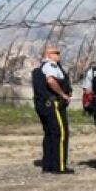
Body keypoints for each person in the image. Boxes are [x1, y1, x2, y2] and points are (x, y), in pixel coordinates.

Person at [32, 45, 74, 174]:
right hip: (53, 104)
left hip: (44, 104)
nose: (59, 55)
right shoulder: (51, 66)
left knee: (50, 134)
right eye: (56, 53)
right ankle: (59, 166)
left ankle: (48, 164)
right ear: (49, 55)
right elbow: (50, 81)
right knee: (60, 133)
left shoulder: (40, 69)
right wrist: (63, 94)